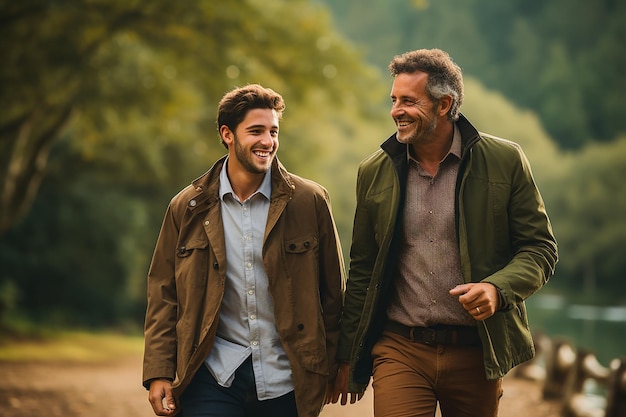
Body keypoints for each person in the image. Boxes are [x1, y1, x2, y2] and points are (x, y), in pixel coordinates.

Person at [331, 49, 558, 416]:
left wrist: (497, 289)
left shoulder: (506, 161)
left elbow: (540, 249)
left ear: (443, 104)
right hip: (400, 347)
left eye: (409, 101)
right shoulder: (374, 171)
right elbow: (363, 271)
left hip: (476, 349)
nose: (396, 111)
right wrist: (346, 358)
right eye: (394, 100)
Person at [142, 84, 346, 417]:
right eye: (256, 131)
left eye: (273, 131)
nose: (268, 141)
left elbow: (334, 292)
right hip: (212, 375)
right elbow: (163, 294)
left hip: (287, 378)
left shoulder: (309, 202)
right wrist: (158, 370)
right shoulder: (187, 207)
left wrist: (340, 360)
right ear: (227, 134)